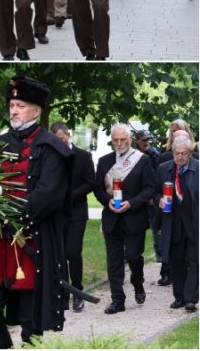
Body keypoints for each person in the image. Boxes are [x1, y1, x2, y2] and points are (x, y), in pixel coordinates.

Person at [0, 76, 71, 348]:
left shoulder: (52, 147)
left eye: (21, 105)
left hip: (32, 242)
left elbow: (49, 194)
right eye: (12, 104)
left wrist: (13, 215)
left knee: (31, 316)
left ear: (36, 111)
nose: (14, 110)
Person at [94, 124, 158, 314]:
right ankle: (117, 300)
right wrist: (108, 202)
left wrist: (131, 203)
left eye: (123, 140)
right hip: (112, 217)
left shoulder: (142, 160)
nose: (120, 143)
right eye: (116, 140)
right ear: (112, 140)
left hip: (134, 216)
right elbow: (97, 189)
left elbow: (150, 189)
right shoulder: (104, 161)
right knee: (113, 261)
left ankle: (138, 283)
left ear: (130, 140)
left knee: (133, 256)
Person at [50, 122, 96, 312]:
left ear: (68, 135)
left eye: (60, 139)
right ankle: (63, 293)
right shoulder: (50, 157)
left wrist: (68, 196)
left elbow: (90, 182)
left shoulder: (83, 156)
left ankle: (78, 291)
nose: (58, 143)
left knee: (72, 252)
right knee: (59, 254)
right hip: (56, 214)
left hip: (76, 212)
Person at [158, 135, 198, 312]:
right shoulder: (164, 168)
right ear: (172, 153)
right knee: (176, 261)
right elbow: (153, 191)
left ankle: (191, 298)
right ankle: (179, 297)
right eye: (176, 153)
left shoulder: (198, 168)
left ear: (190, 153)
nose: (180, 157)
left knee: (194, 260)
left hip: (194, 223)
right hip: (173, 223)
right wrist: (158, 199)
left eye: (183, 153)